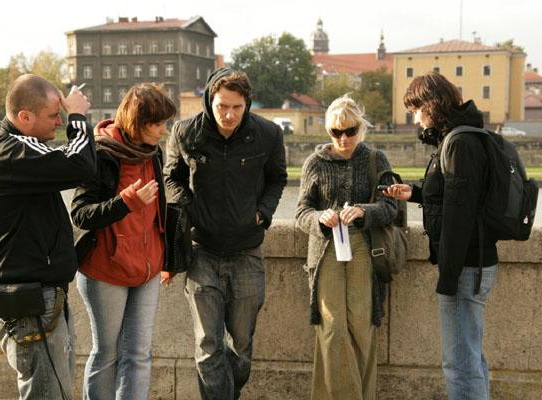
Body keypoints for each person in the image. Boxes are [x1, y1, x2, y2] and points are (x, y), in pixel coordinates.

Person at [163, 68, 287, 400]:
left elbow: (278, 178)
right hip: (201, 251)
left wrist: (263, 211)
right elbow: (170, 177)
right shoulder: (186, 132)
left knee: (242, 348)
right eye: (221, 107)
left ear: (247, 105)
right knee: (207, 346)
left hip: (247, 250)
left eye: (236, 107)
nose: (228, 115)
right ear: (209, 100)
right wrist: (188, 207)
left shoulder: (268, 134)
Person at [0, 74, 95, 399]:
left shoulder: (18, 150)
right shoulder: (12, 150)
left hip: (39, 299)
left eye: (62, 115)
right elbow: (80, 165)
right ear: (24, 117)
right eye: (54, 115)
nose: (59, 121)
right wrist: (78, 118)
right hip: (32, 302)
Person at [384, 71, 498, 400]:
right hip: (474, 260)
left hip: (465, 265)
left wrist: (447, 276)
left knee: (459, 362)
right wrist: (416, 193)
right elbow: (456, 198)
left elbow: (459, 217)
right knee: (471, 357)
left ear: (432, 106)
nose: (415, 118)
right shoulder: (462, 137)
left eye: (416, 110)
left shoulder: (459, 143)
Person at [70, 83, 177, 399]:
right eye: (157, 124)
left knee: (140, 354)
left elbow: (158, 214)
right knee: (107, 353)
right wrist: (125, 201)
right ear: (137, 123)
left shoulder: (151, 152)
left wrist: (166, 260)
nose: (163, 131)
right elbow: (81, 214)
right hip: (106, 270)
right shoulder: (102, 153)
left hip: (147, 271)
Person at [295, 94, 397, 400]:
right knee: (332, 329)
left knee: (362, 329)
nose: (343, 138)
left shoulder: (377, 160)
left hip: (364, 246)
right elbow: (301, 212)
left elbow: (390, 207)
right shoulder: (314, 163)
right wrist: (320, 217)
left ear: (361, 128)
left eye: (350, 130)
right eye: (335, 132)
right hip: (326, 248)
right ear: (327, 131)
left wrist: (366, 211)